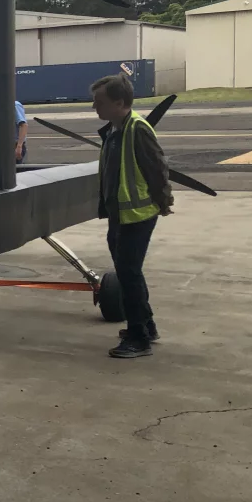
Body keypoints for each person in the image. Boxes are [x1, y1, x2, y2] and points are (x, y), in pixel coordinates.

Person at [92, 74, 173, 359]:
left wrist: (164, 201)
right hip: (120, 214)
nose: (94, 107)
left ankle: (139, 337)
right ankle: (145, 325)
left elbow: (157, 166)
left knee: (128, 273)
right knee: (128, 272)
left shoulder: (137, 128)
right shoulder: (115, 130)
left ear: (119, 102)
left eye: (99, 102)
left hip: (136, 215)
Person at [0, 99, 28, 164]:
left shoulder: (14, 105)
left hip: (13, 146)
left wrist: (19, 146)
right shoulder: (0, 108)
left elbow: (23, 125)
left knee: (12, 172)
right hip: (2, 146)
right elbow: (0, 133)